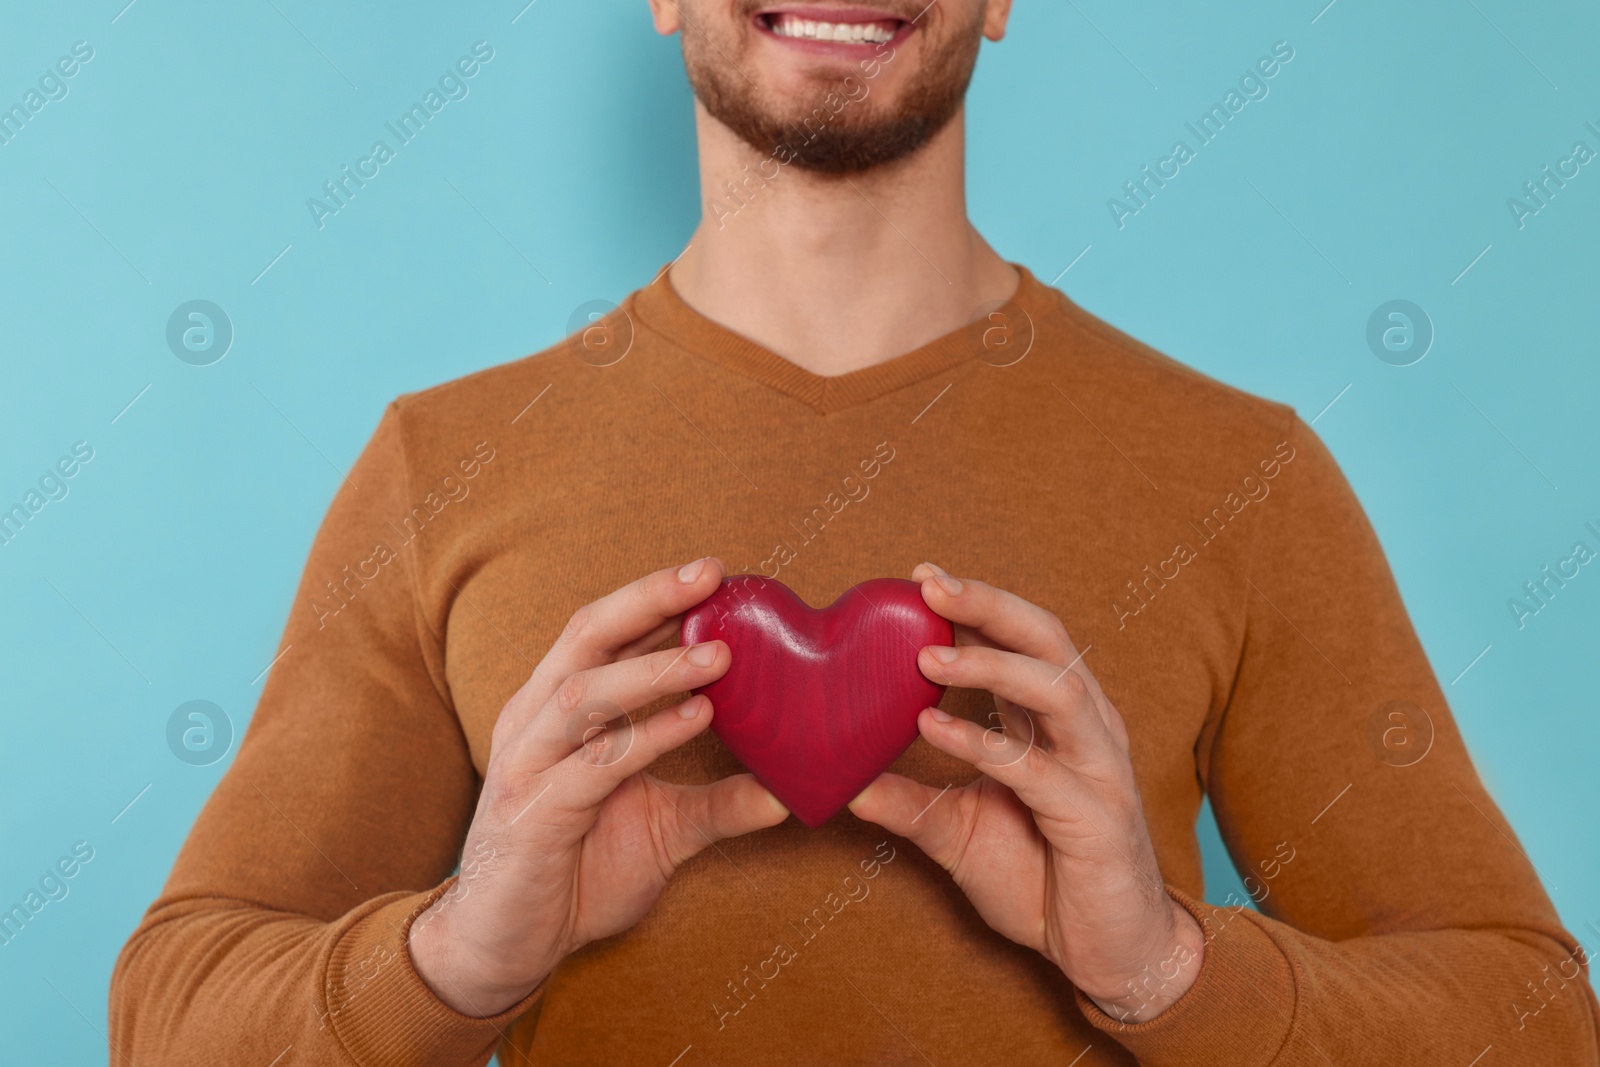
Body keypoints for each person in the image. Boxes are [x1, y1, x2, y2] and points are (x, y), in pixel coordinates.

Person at [111, 2, 1599, 1064]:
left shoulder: (1246, 473)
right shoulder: (442, 466)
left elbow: (1531, 1023)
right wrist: (464, 959)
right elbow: (167, 1021)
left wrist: (1159, 969)